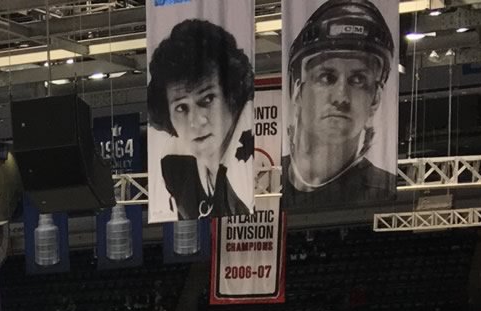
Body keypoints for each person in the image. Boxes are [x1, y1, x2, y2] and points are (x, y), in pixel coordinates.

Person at [281, 0, 400, 210]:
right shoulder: (266, 177)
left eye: (358, 80)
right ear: (297, 90)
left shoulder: (381, 189)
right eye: (326, 77)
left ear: (376, 98)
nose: (341, 97)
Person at [145, 17, 255, 221]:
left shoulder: (250, 168)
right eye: (181, 107)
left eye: (207, 99)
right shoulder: (173, 162)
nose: (196, 122)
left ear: (231, 95)